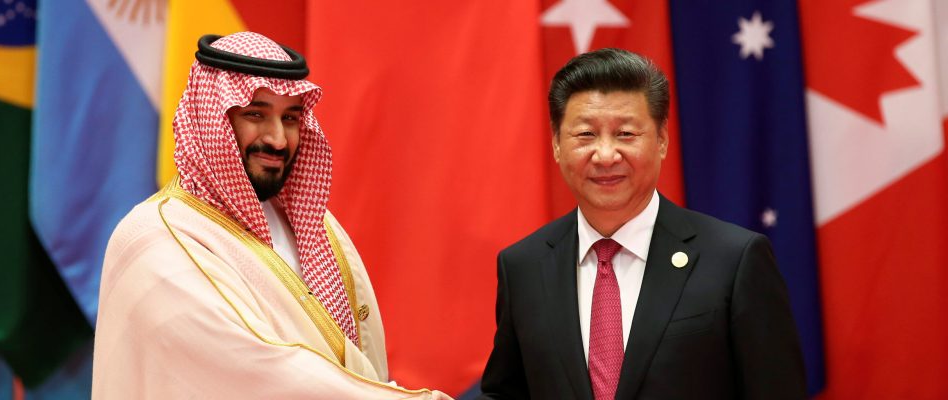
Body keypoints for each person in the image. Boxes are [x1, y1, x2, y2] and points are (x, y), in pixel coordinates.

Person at [93, 32, 450, 399]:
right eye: (256, 115)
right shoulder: (154, 239)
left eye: (291, 118)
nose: (278, 139)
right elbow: (259, 376)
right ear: (211, 118)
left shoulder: (317, 226)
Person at [479, 48, 806, 399]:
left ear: (661, 140)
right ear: (557, 145)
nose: (606, 155)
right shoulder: (523, 266)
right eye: (585, 135)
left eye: (626, 134)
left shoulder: (734, 260)